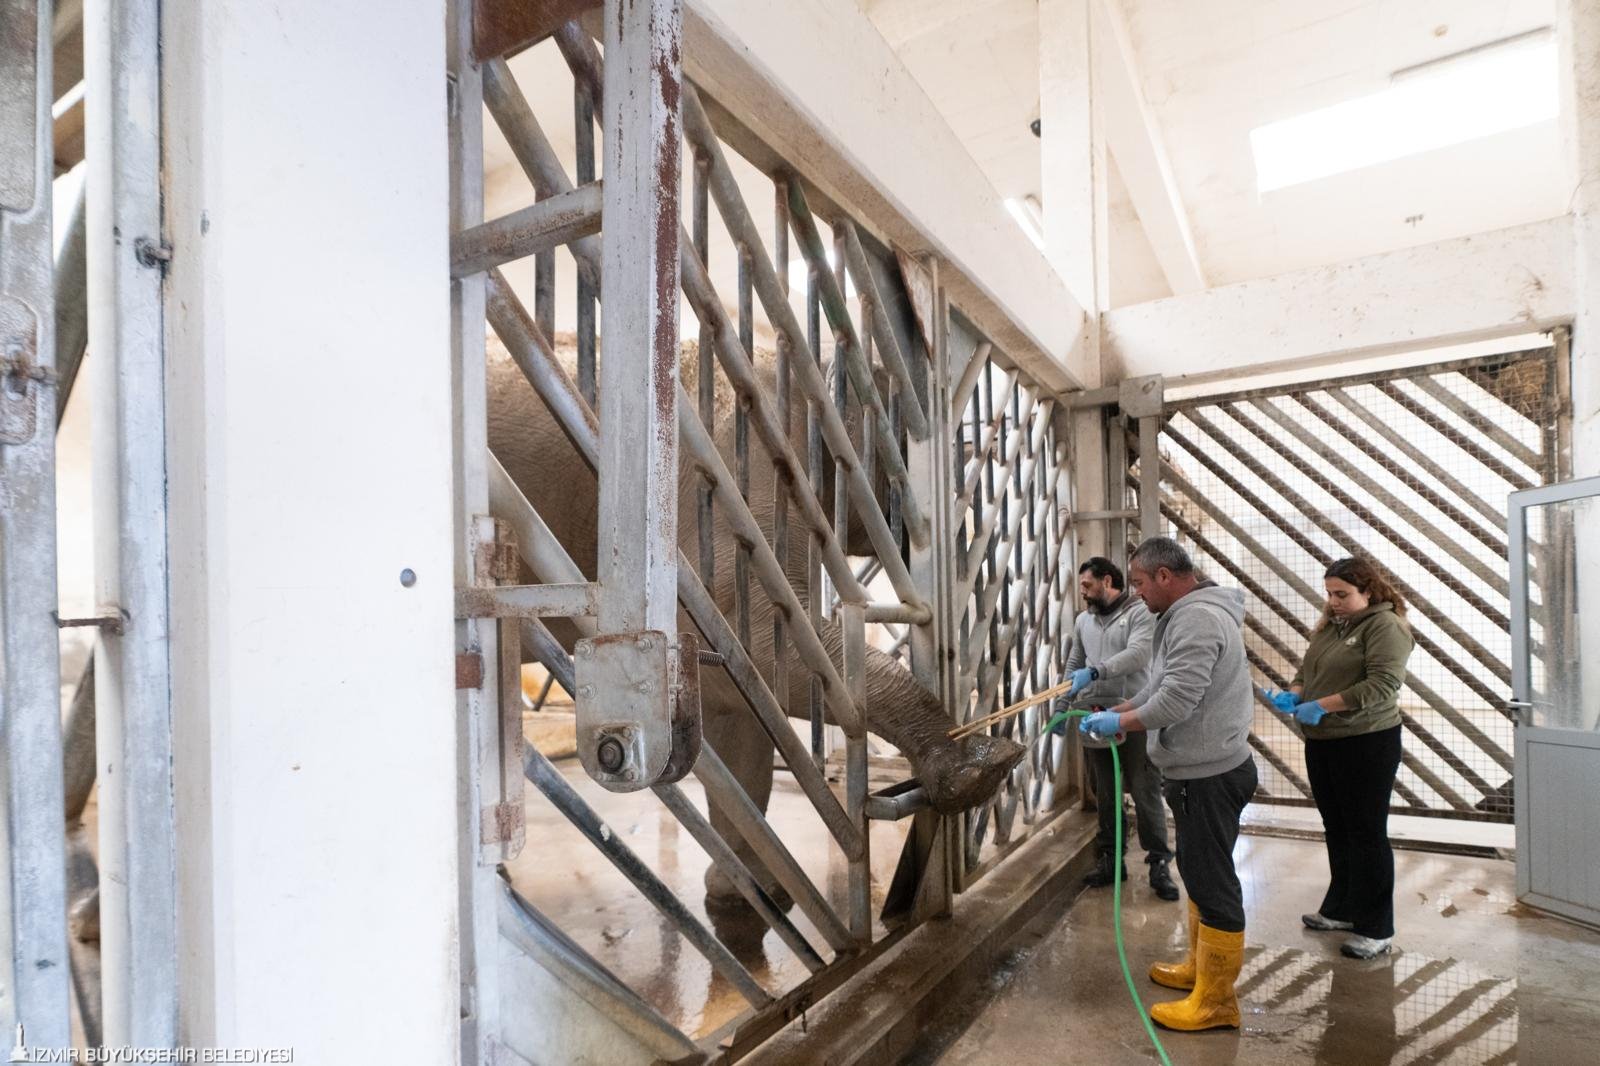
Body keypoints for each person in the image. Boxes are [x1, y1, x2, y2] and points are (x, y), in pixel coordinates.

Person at [1079, 536, 1255, 1033]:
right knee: (1199, 873)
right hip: (1200, 770)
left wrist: (1120, 724)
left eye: (1139, 582)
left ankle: (1217, 1002)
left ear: (1163, 576)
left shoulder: (1196, 619)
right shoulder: (1182, 616)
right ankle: (1202, 970)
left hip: (1209, 775)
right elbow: (1160, 685)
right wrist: (1123, 710)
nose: (1136, 592)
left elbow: (1177, 700)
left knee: (1213, 882)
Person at [1263, 556, 1414, 960]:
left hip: (1366, 741)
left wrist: (1323, 705)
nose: (1333, 602)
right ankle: (1343, 909)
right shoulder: (1333, 625)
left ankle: (1376, 927)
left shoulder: (1386, 626)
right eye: (1330, 593)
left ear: (1368, 591)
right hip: (1324, 740)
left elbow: (1382, 684)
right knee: (1338, 827)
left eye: (1342, 594)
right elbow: (1308, 670)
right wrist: (1296, 692)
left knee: (1366, 832)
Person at [1054, 556, 1177, 900]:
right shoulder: (1084, 620)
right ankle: (1110, 859)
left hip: (1135, 714)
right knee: (1105, 792)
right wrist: (1063, 703)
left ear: (1107, 581)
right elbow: (1075, 662)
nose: (1083, 592)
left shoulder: (1139, 613)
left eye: (1088, 585)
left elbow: (1139, 654)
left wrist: (1097, 671)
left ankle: (1159, 863)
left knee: (1144, 789)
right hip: (1096, 715)